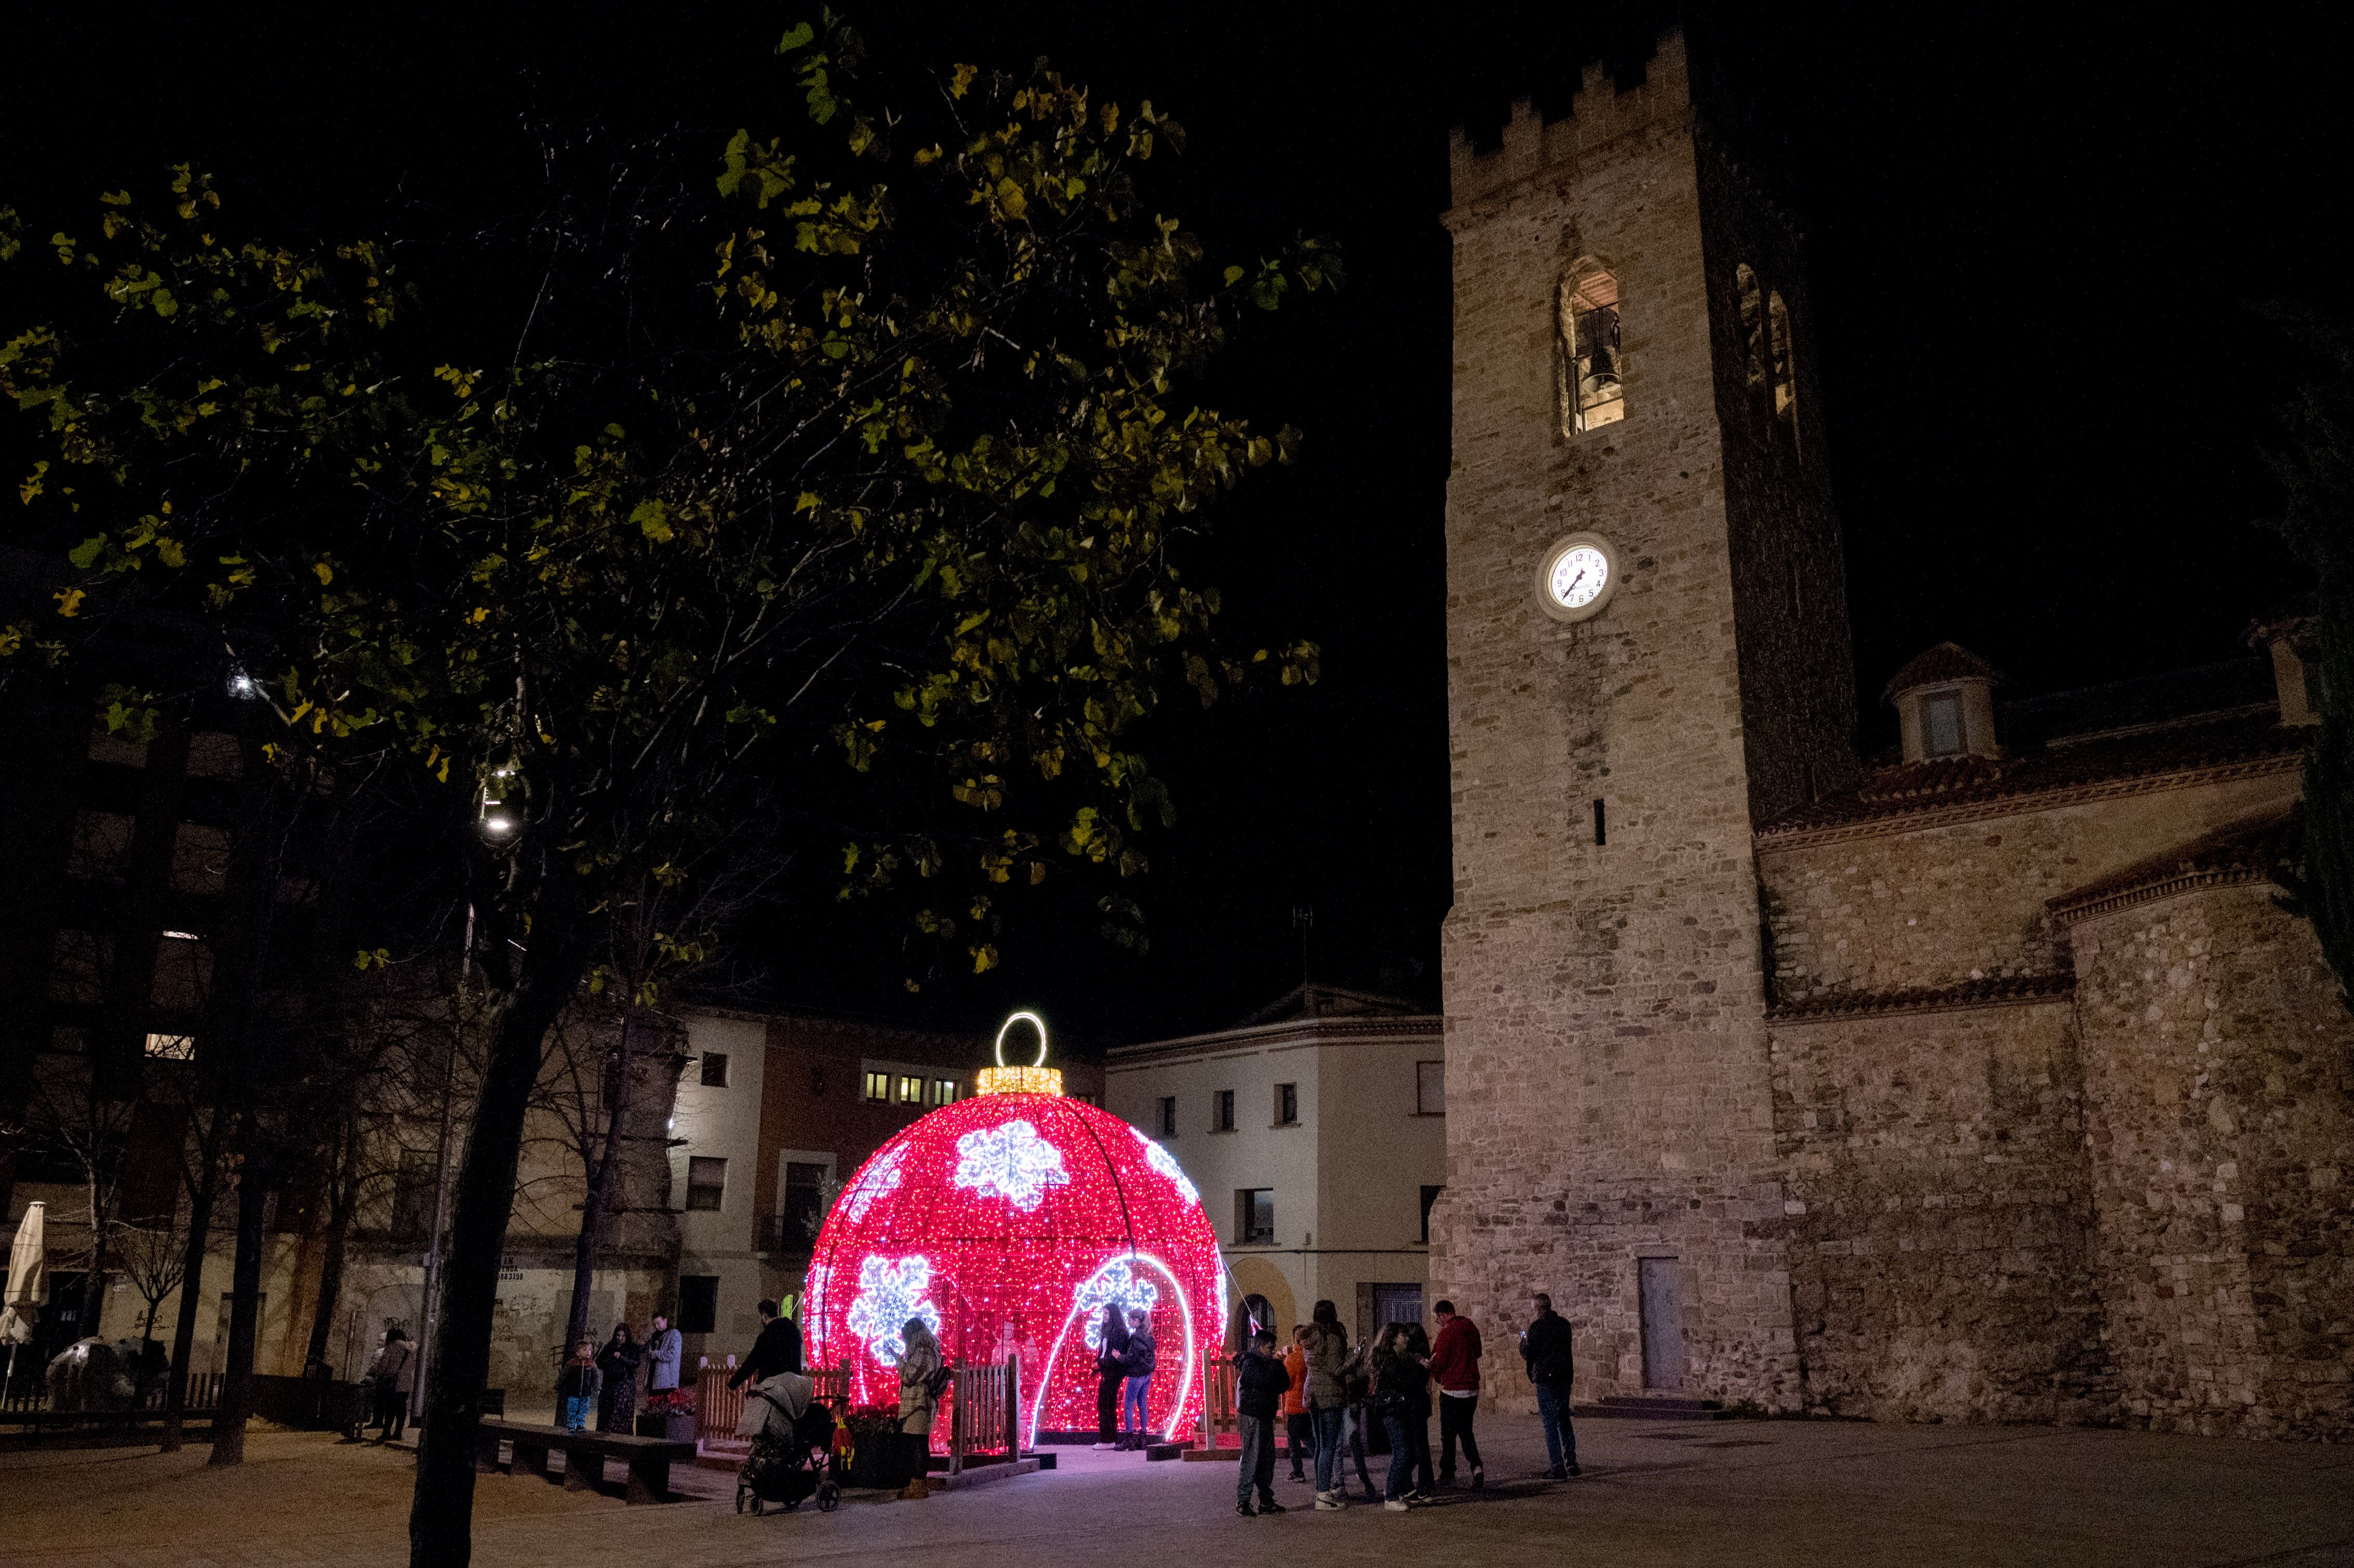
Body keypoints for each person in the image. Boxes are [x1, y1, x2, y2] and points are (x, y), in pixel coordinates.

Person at [1372, 1322, 1433, 1510]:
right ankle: (1390, 1496)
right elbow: (1404, 1381)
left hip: (1401, 1410)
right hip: (1392, 1410)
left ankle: (1396, 1488)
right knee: (1403, 1453)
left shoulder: (1402, 1356)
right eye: (1402, 1335)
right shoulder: (1388, 1358)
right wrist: (1422, 1369)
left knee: (1411, 1453)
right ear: (1392, 1338)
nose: (1407, 1339)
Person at [1232, 1327, 1291, 1517]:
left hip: (1266, 1414)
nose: (1273, 1351)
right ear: (1259, 1347)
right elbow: (1263, 1381)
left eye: (1273, 1348)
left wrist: (1277, 1367)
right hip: (1253, 1416)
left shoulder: (1269, 1363)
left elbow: (1284, 1384)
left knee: (1267, 1459)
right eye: (1269, 1348)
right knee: (1252, 1458)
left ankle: (1266, 1500)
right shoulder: (1250, 1362)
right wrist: (1274, 1368)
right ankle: (1243, 1501)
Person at [1521, 1291, 1579, 1479]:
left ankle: (1557, 1466)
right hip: (1564, 1376)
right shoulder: (1564, 1325)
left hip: (1546, 1379)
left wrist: (1522, 1342)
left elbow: (1529, 1353)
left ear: (1538, 1309)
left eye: (1533, 1309)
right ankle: (1571, 1463)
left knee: (1549, 1422)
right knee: (1563, 1418)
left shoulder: (1537, 1327)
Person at [1429, 1299, 1484, 1489]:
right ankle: (1476, 1467)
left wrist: (1435, 1373)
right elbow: (1477, 1353)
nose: (1439, 1323)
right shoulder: (1471, 1328)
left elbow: (1439, 1360)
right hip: (1472, 1388)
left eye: (1438, 1319)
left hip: (1452, 1389)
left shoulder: (1447, 1333)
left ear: (1443, 1315)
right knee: (1466, 1430)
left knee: (1448, 1433)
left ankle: (1448, 1471)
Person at [1301, 1299, 1350, 1509]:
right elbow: (1337, 1369)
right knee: (1329, 1446)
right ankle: (1323, 1494)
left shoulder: (1311, 1339)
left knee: (1321, 1446)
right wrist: (1355, 1358)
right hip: (1330, 1395)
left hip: (1314, 1395)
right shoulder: (1333, 1338)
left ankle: (1321, 1489)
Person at [897, 1317, 943, 1500]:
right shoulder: (928, 1352)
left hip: (919, 1404)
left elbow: (909, 1377)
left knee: (918, 1444)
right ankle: (916, 1484)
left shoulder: (924, 1353)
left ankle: (918, 1485)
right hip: (917, 1405)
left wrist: (900, 1363)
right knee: (917, 1443)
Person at [728, 1298, 805, 1390]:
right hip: (794, 1386)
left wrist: (733, 1383)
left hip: (772, 1388)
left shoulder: (767, 1335)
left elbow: (752, 1362)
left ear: (764, 1317)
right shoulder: (795, 1331)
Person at [365, 1328, 414, 1442]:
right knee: (401, 1409)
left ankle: (386, 1432)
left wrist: (379, 1377)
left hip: (392, 1382)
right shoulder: (410, 1349)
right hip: (405, 1383)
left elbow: (383, 1365)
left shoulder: (392, 1347)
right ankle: (398, 1432)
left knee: (390, 1408)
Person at [1092, 1304, 1130, 1449]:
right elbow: (1103, 1352)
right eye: (1104, 1313)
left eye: (1107, 1313)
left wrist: (1101, 1363)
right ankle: (1110, 1438)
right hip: (1106, 1370)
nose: (1105, 1316)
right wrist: (1096, 1366)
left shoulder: (1119, 1332)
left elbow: (1114, 1355)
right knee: (1108, 1405)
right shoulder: (1107, 1330)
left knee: (1104, 1404)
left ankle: (1107, 1439)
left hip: (1113, 1372)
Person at [1118, 1308, 1156, 1448]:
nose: (1129, 1322)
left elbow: (1130, 1359)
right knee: (1142, 1404)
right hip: (1147, 1375)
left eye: (1130, 1320)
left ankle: (1129, 1438)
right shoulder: (1149, 1337)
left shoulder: (1136, 1338)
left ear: (1137, 1321)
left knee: (1128, 1405)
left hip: (1137, 1376)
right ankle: (1143, 1437)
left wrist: (1118, 1357)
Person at [596, 1323, 643, 1433]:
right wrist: (610, 1359)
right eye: (618, 1336)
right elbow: (599, 1362)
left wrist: (621, 1358)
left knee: (620, 1412)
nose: (620, 1338)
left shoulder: (632, 1348)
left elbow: (636, 1363)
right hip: (609, 1384)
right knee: (606, 1412)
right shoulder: (609, 1347)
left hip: (624, 1385)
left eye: (623, 1336)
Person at [1279, 1326, 1311, 1482]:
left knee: (1294, 1441)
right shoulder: (1310, 1356)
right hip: (1308, 1405)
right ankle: (1324, 1464)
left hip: (1293, 1406)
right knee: (1309, 1438)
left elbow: (1287, 1382)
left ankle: (1298, 1472)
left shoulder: (1292, 1359)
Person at [557, 1339, 602, 1432]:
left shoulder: (592, 1364)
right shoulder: (572, 1364)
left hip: (585, 1393)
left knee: (583, 1409)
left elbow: (596, 1377)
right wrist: (559, 1385)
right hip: (573, 1392)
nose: (588, 1352)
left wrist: (597, 1387)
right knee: (572, 1409)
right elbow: (564, 1375)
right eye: (585, 1350)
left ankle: (581, 1425)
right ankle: (571, 1425)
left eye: (589, 1350)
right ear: (578, 1353)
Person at [645, 1312, 682, 1395]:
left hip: (667, 1380)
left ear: (665, 1321)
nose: (656, 1327)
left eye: (658, 1323)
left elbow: (673, 1354)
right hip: (654, 1376)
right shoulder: (655, 1336)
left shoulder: (674, 1334)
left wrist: (657, 1354)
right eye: (654, 1325)